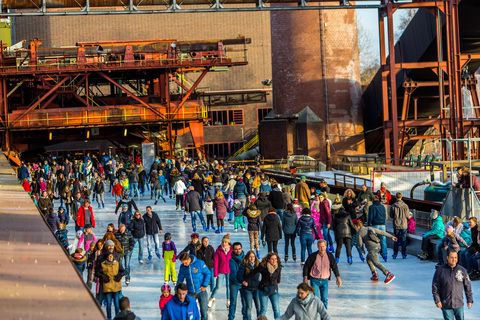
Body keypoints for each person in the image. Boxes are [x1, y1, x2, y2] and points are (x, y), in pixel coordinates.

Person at [432, 250, 473, 320]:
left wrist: (469, 300)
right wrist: (437, 300)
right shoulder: (440, 270)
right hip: (446, 304)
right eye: (451, 257)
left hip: (459, 304)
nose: (454, 259)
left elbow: (467, 287)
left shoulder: (462, 270)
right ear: (447, 258)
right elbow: (435, 287)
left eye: (455, 257)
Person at [355, 220, 397, 284]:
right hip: (378, 246)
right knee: (368, 259)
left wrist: (362, 250)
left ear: (357, 226)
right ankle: (374, 274)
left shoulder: (359, 233)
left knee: (376, 262)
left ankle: (388, 274)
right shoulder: (369, 228)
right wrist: (391, 236)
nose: (354, 228)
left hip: (372, 249)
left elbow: (360, 244)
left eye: (355, 226)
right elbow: (381, 232)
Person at [302, 240, 341, 308]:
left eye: (323, 246)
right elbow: (306, 266)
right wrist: (305, 277)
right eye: (320, 247)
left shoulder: (329, 255)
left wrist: (338, 277)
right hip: (314, 280)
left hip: (324, 281)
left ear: (326, 246)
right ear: (317, 247)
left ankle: (324, 315)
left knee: (325, 299)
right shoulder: (313, 256)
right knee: (316, 299)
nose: (322, 248)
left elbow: (334, 267)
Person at [177, 252, 211, 320]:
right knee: (189, 312)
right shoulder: (182, 267)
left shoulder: (200, 263)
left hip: (201, 291)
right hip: (190, 292)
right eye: (182, 263)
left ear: (188, 259)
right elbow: (180, 279)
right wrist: (177, 290)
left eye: (185, 262)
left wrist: (204, 285)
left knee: (204, 311)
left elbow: (208, 273)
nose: (184, 264)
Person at [254, 252, 282, 319]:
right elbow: (254, 272)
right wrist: (246, 280)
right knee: (263, 309)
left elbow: (278, 279)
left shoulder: (278, 267)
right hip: (263, 290)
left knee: (277, 309)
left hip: (274, 290)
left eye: (275, 259)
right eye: (272, 259)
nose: (274, 260)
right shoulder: (263, 267)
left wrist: (275, 283)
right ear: (268, 260)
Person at [98, 252, 124, 320]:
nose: (110, 257)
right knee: (108, 304)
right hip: (107, 287)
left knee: (116, 304)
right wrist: (103, 276)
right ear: (107, 257)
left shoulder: (117, 263)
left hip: (116, 286)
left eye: (111, 256)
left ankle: (117, 317)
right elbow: (97, 272)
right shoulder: (103, 264)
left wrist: (119, 275)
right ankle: (109, 318)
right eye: (109, 256)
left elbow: (123, 271)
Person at [209, 234, 233, 308]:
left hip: (230, 271)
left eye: (225, 242)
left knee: (229, 287)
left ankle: (228, 301)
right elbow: (216, 263)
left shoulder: (232, 250)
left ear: (228, 242)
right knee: (218, 286)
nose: (224, 243)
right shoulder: (218, 251)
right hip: (221, 271)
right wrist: (215, 273)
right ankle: (211, 298)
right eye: (223, 242)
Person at [238, 250, 261, 320]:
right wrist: (243, 281)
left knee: (259, 306)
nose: (252, 258)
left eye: (253, 256)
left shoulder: (258, 265)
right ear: (247, 257)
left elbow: (263, 274)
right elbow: (239, 276)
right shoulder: (244, 265)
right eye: (250, 257)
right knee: (249, 307)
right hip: (247, 289)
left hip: (257, 289)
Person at [389, 192, 410, 259]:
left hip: (396, 224)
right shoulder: (405, 206)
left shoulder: (393, 206)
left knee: (396, 239)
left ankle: (395, 254)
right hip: (404, 225)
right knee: (404, 240)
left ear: (396, 197)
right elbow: (407, 216)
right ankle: (404, 254)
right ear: (401, 197)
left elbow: (391, 216)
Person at [367, 196, 387, 262]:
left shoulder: (371, 207)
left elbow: (370, 216)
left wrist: (368, 224)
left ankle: (375, 254)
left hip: (375, 225)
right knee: (383, 240)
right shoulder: (382, 206)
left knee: (374, 240)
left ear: (373, 200)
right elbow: (384, 215)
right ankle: (385, 255)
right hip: (382, 225)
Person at [228, 242, 245, 320]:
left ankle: (246, 317)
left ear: (241, 249)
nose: (238, 251)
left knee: (245, 302)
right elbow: (233, 274)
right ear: (233, 250)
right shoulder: (231, 259)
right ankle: (231, 318)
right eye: (236, 249)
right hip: (234, 284)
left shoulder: (245, 258)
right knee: (233, 302)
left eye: (239, 249)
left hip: (244, 284)